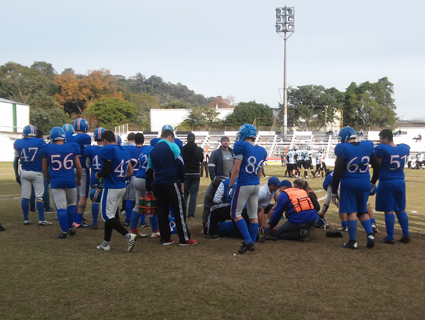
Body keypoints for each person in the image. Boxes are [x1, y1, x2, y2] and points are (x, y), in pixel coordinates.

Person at [145, 128, 197, 246]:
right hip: (171, 181)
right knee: (178, 209)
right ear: (170, 137)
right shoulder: (173, 146)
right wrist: (181, 180)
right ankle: (184, 238)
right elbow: (180, 163)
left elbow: (149, 170)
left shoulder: (153, 150)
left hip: (158, 183)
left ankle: (165, 238)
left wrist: (148, 188)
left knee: (162, 210)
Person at [331, 127, 380, 249]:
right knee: (362, 211)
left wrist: (333, 190)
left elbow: (337, 172)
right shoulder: (367, 145)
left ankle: (352, 241)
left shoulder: (343, 148)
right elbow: (377, 166)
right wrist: (372, 182)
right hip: (364, 183)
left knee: (351, 212)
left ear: (344, 137)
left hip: (349, 184)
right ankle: (370, 234)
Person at [94, 130, 137, 252]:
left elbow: (106, 171)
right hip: (121, 186)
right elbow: (130, 172)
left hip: (111, 186)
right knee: (111, 215)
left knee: (106, 216)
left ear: (105, 141)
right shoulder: (125, 150)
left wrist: (98, 175)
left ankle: (128, 236)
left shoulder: (108, 150)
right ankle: (106, 243)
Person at [229, 124, 267, 254]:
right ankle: (253, 243)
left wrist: (230, 184)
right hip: (256, 183)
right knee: (253, 214)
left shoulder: (240, 145)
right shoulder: (262, 150)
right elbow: (260, 172)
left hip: (245, 183)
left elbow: (236, 169)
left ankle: (247, 241)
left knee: (235, 213)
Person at [41, 127, 81, 238]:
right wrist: (79, 179)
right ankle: (70, 228)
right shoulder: (72, 146)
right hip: (70, 180)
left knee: (61, 207)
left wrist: (49, 179)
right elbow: (78, 166)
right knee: (72, 204)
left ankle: (64, 232)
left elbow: (44, 168)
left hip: (56, 181)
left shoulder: (47, 148)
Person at [374, 129, 411, 244]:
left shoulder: (382, 149)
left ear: (385, 138)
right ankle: (406, 234)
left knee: (389, 210)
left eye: (380, 138)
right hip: (400, 181)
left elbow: (377, 165)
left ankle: (390, 237)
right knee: (400, 209)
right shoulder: (404, 148)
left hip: (387, 181)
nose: (379, 141)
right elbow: (399, 149)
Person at [13, 124, 51, 226]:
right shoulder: (39, 142)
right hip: (37, 172)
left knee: (25, 197)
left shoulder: (18, 143)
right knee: (39, 197)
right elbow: (45, 156)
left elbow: (15, 160)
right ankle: (41, 219)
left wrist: (16, 174)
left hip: (24, 172)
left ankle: (26, 219)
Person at [129, 133, 159, 238]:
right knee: (151, 205)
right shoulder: (154, 150)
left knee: (138, 205)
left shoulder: (145, 149)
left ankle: (133, 229)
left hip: (137, 177)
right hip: (145, 180)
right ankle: (155, 230)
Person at [67, 118, 92, 228]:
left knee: (73, 194)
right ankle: (78, 220)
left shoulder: (67, 135)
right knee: (83, 195)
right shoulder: (85, 137)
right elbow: (86, 152)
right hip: (81, 167)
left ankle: (72, 218)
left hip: (69, 167)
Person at [83, 127, 106, 229]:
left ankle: (95, 222)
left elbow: (88, 165)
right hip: (106, 176)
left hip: (95, 176)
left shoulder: (90, 149)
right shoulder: (109, 149)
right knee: (109, 199)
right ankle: (112, 220)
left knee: (95, 200)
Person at [29, 129, 53, 213]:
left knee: (31, 188)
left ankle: (32, 207)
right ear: (42, 136)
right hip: (39, 168)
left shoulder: (29, 143)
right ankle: (47, 206)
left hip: (28, 167)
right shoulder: (41, 143)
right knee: (45, 188)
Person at [181, 133, 204, 218]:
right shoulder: (198, 150)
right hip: (195, 173)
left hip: (185, 173)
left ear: (187, 139)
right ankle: (191, 213)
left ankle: (183, 212)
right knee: (193, 194)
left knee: (185, 194)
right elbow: (201, 160)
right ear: (194, 139)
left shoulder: (182, 149)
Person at [257, 176, 280, 240]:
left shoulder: (273, 190)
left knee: (278, 208)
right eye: (277, 186)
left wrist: (272, 209)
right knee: (260, 209)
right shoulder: (262, 192)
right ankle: (264, 231)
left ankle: (271, 226)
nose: (278, 188)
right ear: (272, 186)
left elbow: (277, 200)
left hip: (264, 206)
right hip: (256, 206)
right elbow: (251, 202)